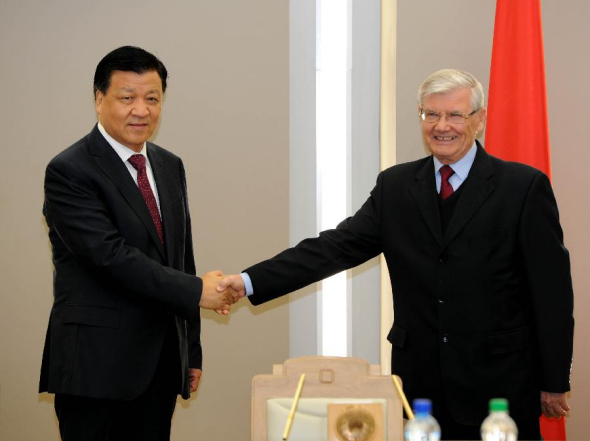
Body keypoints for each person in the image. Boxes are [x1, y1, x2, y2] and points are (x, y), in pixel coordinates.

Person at [219, 69, 574, 440]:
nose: (442, 126)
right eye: (430, 114)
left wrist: (552, 379)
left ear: (479, 119)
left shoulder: (523, 187)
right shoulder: (396, 186)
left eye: (455, 114)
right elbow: (333, 248)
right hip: (419, 392)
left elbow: (551, 292)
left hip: (499, 388)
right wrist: (247, 282)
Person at [39, 46, 237, 440]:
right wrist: (199, 291)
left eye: (152, 99)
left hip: (160, 365)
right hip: (96, 368)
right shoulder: (70, 170)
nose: (141, 110)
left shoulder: (168, 165)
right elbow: (111, 257)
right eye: (127, 98)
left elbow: (180, 257)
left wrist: (190, 350)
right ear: (99, 99)